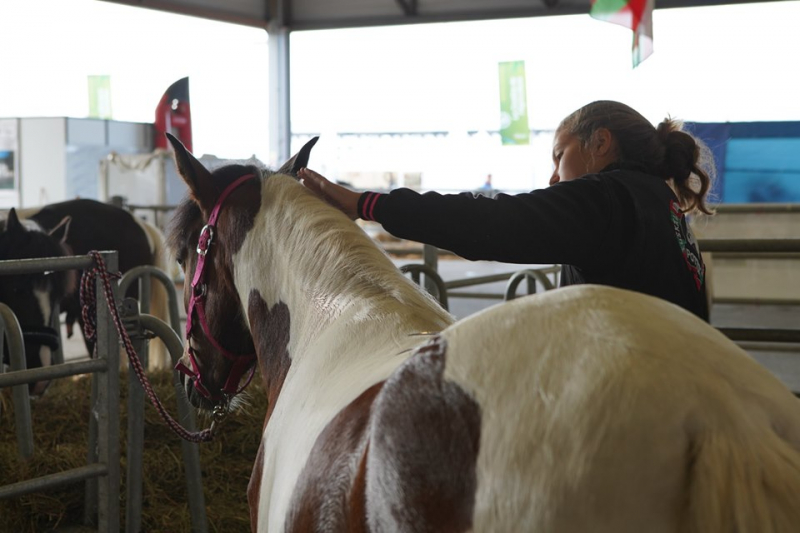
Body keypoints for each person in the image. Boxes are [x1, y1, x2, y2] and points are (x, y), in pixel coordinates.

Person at [299, 100, 715, 321]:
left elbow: (491, 222)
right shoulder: (660, 202)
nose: (554, 176)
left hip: (633, 391)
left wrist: (367, 203)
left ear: (601, 143)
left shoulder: (605, 197)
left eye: (560, 155)